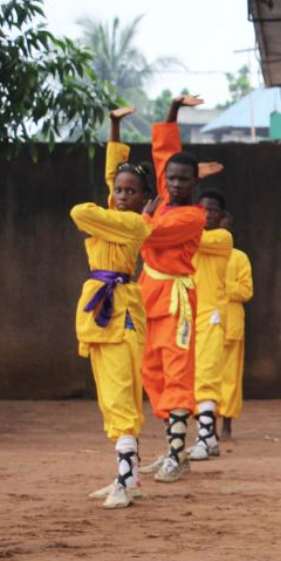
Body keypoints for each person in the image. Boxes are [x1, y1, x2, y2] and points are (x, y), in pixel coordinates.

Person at [73, 107, 151, 509]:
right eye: (118, 191)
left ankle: (124, 479)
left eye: (130, 192)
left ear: (145, 199)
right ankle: (129, 476)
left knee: (121, 393)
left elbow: (80, 212)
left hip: (121, 313)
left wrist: (105, 209)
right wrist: (116, 125)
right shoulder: (113, 216)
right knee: (110, 394)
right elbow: (112, 172)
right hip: (98, 315)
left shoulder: (135, 225)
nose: (121, 196)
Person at [137, 95, 208, 483]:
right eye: (172, 179)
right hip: (148, 295)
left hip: (176, 302)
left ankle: (178, 455)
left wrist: (144, 215)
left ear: (196, 183)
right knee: (153, 372)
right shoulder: (165, 199)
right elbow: (165, 151)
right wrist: (174, 109)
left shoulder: (190, 217)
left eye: (184, 180)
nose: (175, 184)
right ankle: (170, 449)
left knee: (177, 373)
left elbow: (152, 232)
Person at [186, 189, 233, 461]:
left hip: (211, 315)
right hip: (189, 314)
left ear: (222, 216)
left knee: (207, 374)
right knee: (193, 376)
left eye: (213, 210)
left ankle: (205, 436)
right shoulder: (194, 238)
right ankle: (208, 437)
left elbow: (191, 237)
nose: (207, 215)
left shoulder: (222, 237)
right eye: (202, 209)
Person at [220, 213, 253, 440]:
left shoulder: (239, 257)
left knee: (230, 378)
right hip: (203, 324)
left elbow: (246, 291)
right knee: (205, 376)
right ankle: (205, 425)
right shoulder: (198, 253)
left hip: (230, 325)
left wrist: (220, 285)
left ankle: (227, 424)